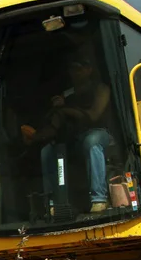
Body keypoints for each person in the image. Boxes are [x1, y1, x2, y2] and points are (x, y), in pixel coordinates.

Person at [22, 54, 114, 214]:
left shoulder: (101, 89)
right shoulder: (67, 94)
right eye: (72, 69)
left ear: (89, 69)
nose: (75, 72)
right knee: (47, 151)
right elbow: (56, 123)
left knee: (91, 141)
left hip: (101, 134)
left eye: (79, 68)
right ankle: (54, 203)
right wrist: (36, 135)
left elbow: (93, 116)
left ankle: (99, 199)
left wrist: (66, 108)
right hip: (75, 139)